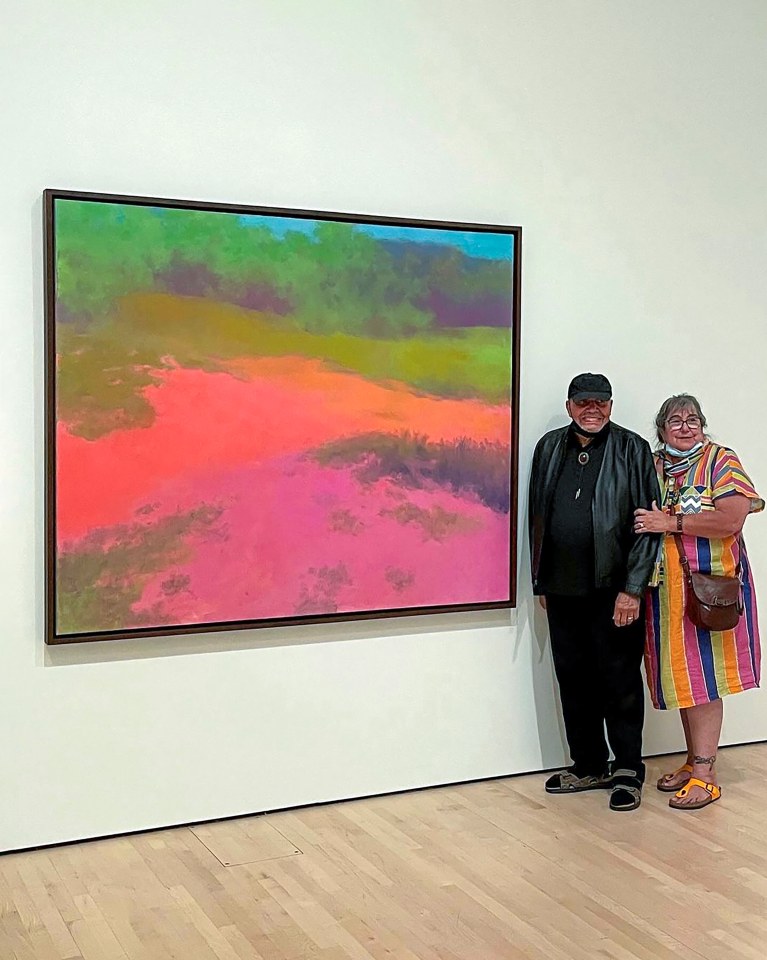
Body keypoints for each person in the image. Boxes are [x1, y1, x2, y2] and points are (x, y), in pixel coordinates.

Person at [529, 373, 659, 811]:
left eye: (601, 402)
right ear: (569, 406)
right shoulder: (548, 447)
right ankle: (587, 765)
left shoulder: (632, 448)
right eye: (584, 401)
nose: (593, 409)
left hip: (614, 591)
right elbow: (537, 517)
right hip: (562, 590)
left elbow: (648, 524)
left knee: (619, 681)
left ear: (611, 405)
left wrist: (633, 588)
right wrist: (540, 580)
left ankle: (626, 771)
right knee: (574, 680)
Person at [634, 395, 762, 810]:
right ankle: (694, 762)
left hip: (708, 594)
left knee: (704, 679)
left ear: (703, 426)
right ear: (662, 429)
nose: (685, 427)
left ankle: (706, 774)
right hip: (664, 594)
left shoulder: (720, 460)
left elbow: (731, 519)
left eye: (693, 420)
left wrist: (668, 522)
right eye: (675, 420)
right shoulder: (655, 466)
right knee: (681, 678)